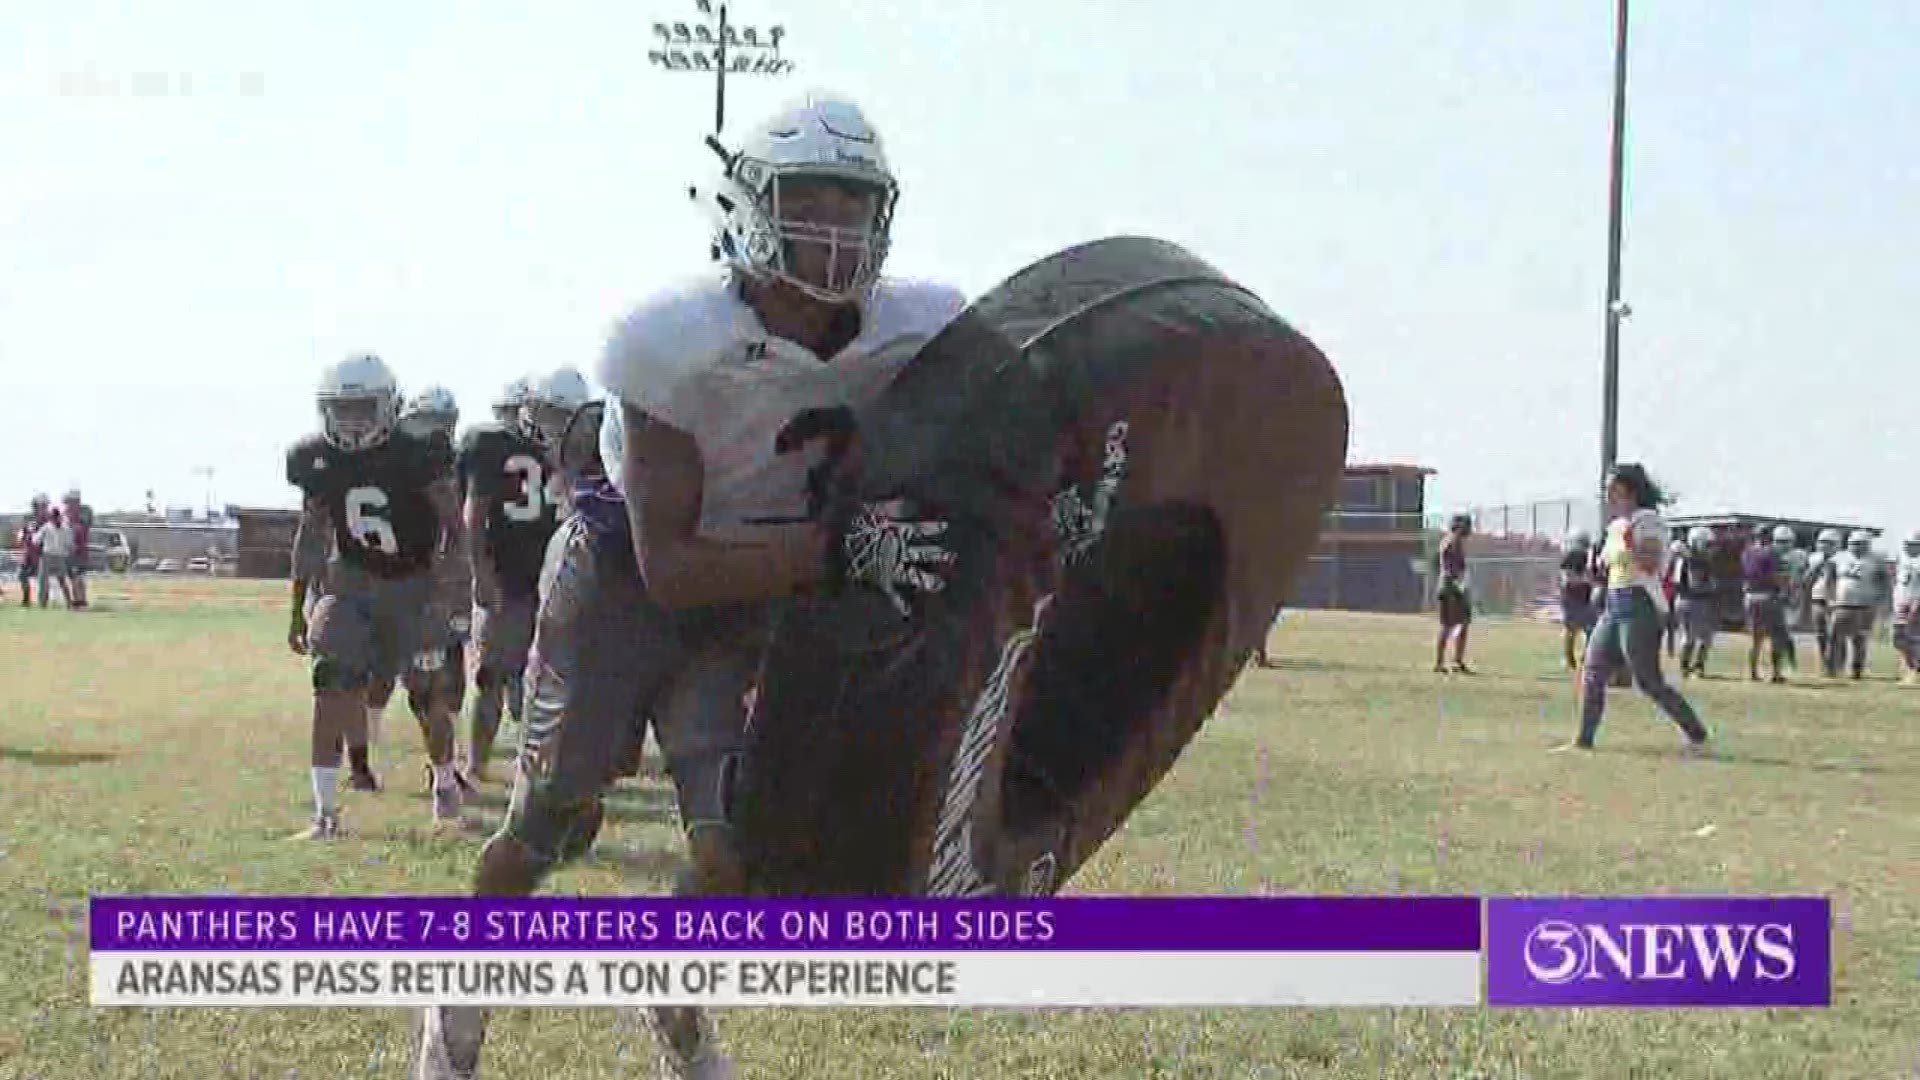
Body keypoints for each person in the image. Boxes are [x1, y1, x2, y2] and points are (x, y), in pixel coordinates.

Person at [412, 90, 968, 1080]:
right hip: (628, 582)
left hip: (758, 599)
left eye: (852, 205)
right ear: (747, 203)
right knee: (549, 820)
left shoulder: (922, 325)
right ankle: (456, 993)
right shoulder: (671, 339)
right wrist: (840, 555)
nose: (833, 230)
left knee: (737, 846)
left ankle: (669, 985)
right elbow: (671, 571)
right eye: (810, 200)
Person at [286, 353, 461, 839]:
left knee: (427, 696)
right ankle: (325, 814)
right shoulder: (316, 458)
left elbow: (454, 528)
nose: (352, 420)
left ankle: (445, 780)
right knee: (330, 683)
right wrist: (298, 605)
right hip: (352, 585)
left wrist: (446, 594)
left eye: (363, 408)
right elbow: (311, 531)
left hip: (414, 584)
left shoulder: (419, 452)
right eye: (342, 409)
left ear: (387, 406)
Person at [455, 371, 575, 785]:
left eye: (564, 416)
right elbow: (474, 513)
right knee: (492, 675)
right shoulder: (491, 445)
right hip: (508, 574)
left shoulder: (582, 452)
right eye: (548, 412)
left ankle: (540, 771)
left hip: (558, 577)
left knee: (553, 681)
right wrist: (481, 574)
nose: (554, 424)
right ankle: (476, 765)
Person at [1557, 463, 1710, 754]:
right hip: (1613, 601)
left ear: (1628, 489)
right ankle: (1583, 740)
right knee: (1593, 670)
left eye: (1611, 486)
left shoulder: (1647, 520)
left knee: (1647, 680)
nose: (1606, 492)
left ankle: (1697, 734)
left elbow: (1650, 564)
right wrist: (1596, 567)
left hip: (1640, 602)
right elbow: (1606, 566)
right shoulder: (1615, 525)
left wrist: (1630, 543)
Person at [398, 386, 474, 822]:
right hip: (406, 588)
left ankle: (446, 773)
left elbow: (455, 530)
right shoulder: (402, 461)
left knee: (445, 680)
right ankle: (442, 771)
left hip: (436, 588)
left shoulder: (452, 461)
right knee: (423, 686)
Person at [1828, 529, 1885, 680]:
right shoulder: (1839, 558)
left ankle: (1856, 669)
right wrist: (1830, 598)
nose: (1856, 547)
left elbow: (1883, 580)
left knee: (1859, 639)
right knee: (1835, 637)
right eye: (1853, 544)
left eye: (1860, 544)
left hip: (1864, 605)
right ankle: (1834, 668)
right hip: (1842, 603)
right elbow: (1831, 578)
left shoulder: (1876, 559)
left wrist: (1880, 600)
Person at [1740, 526, 1793, 683]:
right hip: (1768, 596)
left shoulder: (1746, 553)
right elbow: (1777, 575)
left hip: (1750, 596)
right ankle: (1776, 673)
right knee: (1777, 635)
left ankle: (1753, 672)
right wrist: (1785, 591)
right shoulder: (1772, 552)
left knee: (1756, 638)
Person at [1673, 525, 1719, 677]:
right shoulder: (1690, 560)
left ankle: (1699, 666)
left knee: (1706, 637)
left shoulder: (1700, 560)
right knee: (1689, 637)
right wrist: (1710, 586)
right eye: (1707, 544)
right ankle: (1685, 667)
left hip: (1700, 601)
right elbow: (1692, 584)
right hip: (1690, 600)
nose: (1710, 549)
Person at [1433, 513, 1473, 674]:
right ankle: (1440, 662)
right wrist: (1460, 584)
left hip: (1454, 586)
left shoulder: (1453, 541)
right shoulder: (1452, 541)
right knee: (1448, 625)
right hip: (1451, 587)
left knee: (1462, 623)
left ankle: (1457, 661)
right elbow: (1452, 568)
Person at [1558, 531, 1597, 670]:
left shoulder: (1590, 556)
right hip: (1572, 597)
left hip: (1586, 597)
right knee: (1571, 630)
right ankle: (1569, 659)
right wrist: (1586, 579)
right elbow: (1567, 577)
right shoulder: (1571, 555)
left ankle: (1586, 657)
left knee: (1591, 630)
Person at [1805, 527, 1841, 672]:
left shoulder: (1841, 559)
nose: (1825, 546)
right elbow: (1806, 580)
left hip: (1836, 600)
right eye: (1822, 542)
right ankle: (1824, 663)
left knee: (1834, 634)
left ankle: (1835, 664)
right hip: (1818, 598)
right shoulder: (1813, 558)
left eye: (1829, 543)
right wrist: (1816, 566)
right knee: (1820, 634)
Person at [34, 508, 76, 609]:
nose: (54, 519)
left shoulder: (66, 529)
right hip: (47, 555)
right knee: (44, 581)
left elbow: (70, 544)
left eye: (56, 517)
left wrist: (70, 552)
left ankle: (69, 603)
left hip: (60, 556)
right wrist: (39, 548)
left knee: (62, 579)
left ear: (58, 517)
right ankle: (43, 604)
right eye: (52, 517)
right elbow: (36, 540)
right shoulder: (46, 527)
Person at [1894, 529, 1920, 685]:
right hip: (1901, 602)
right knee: (1898, 638)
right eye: (1907, 544)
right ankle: (1910, 668)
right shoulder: (1903, 560)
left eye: (1912, 545)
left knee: (1911, 638)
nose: (1908, 547)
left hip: (1915, 602)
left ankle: (1912, 671)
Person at [16, 494, 48, 607]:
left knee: (42, 580)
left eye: (43, 506)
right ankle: (26, 599)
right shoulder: (29, 519)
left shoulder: (47, 520)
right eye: (38, 506)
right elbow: (22, 533)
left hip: (41, 555)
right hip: (28, 554)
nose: (40, 508)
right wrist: (21, 535)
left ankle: (43, 602)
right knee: (21, 575)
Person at [62, 490, 92, 609]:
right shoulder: (66, 514)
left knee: (79, 576)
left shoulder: (84, 513)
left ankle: (81, 600)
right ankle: (78, 600)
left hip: (80, 550)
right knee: (73, 577)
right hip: (69, 550)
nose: (68, 505)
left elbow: (81, 528)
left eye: (69, 502)